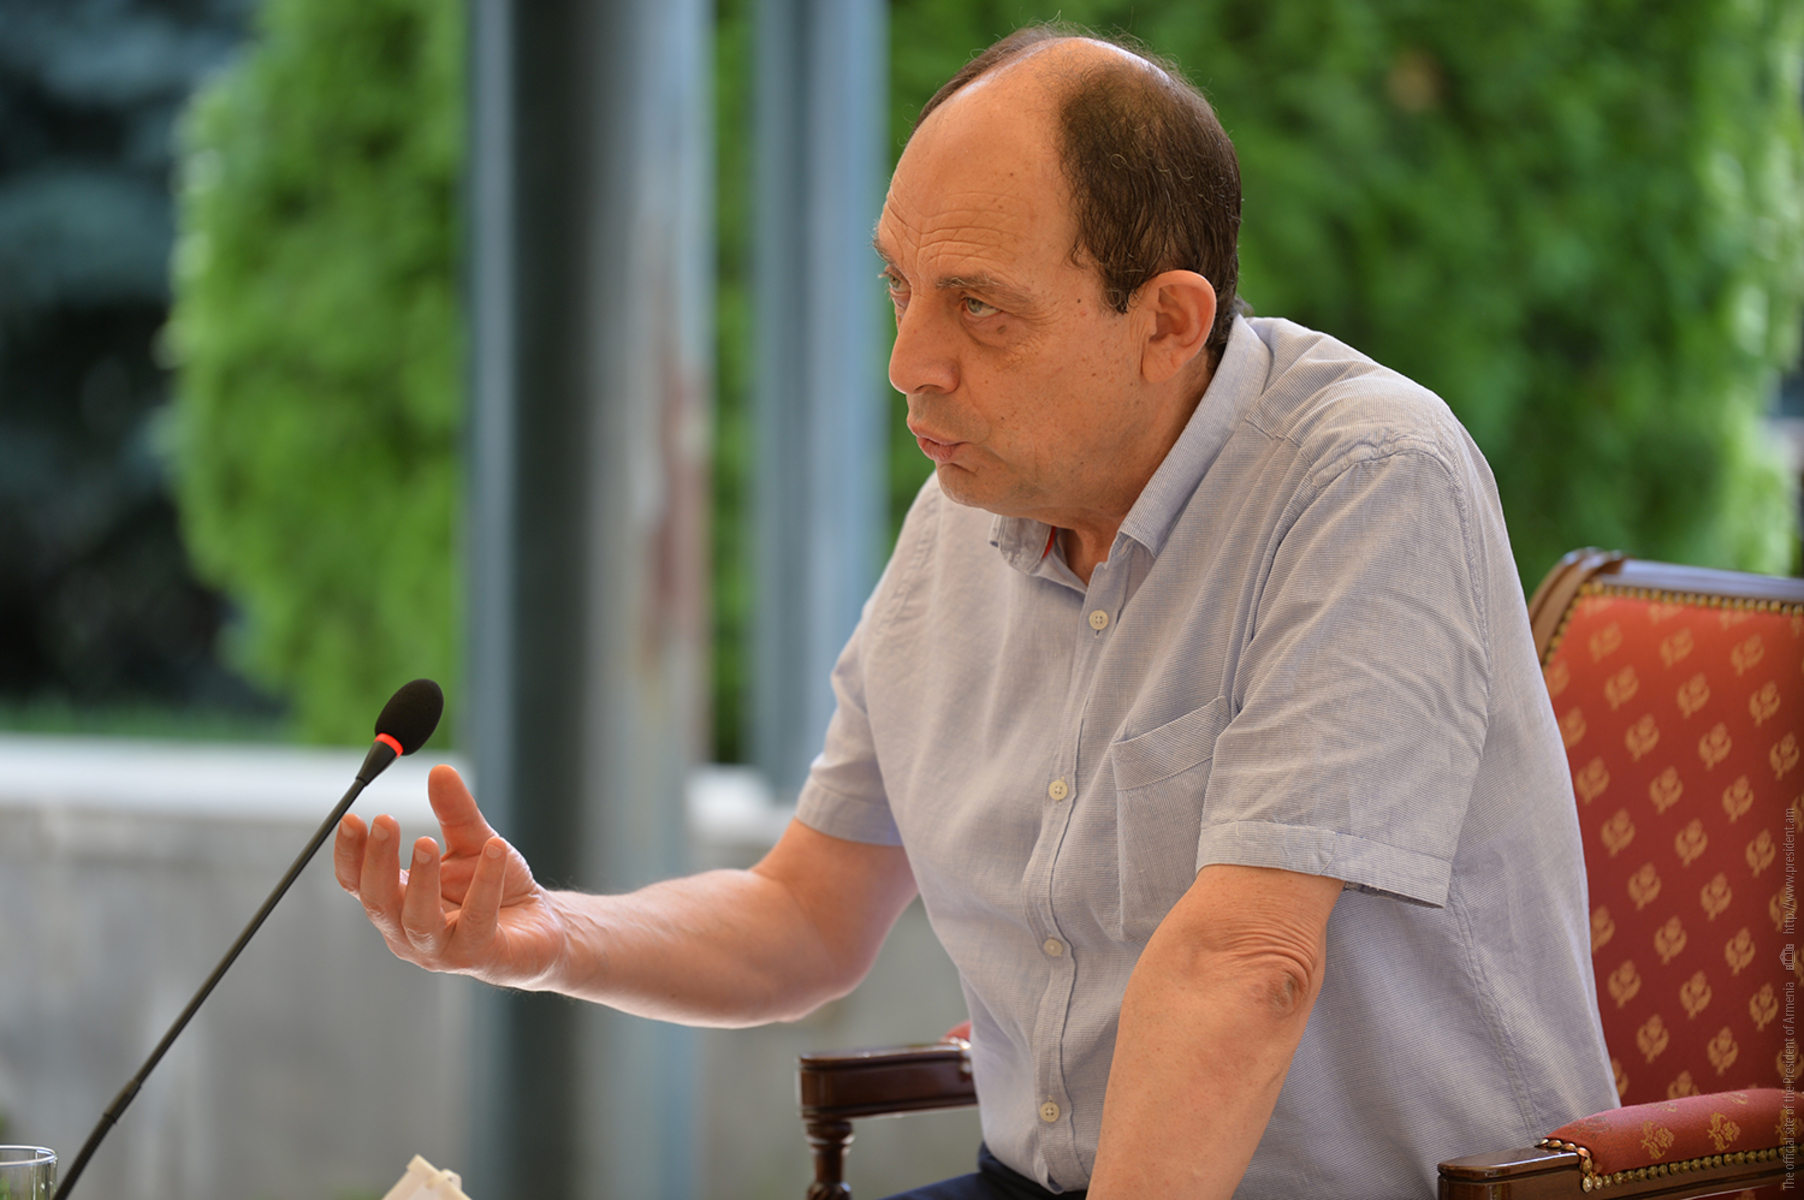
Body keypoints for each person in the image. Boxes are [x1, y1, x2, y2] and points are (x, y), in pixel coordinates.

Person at [336, 25, 1617, 1199]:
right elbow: (806, 914)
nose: (909, 364)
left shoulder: (1369, 477)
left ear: (1167, 322)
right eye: (899, 285)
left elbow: (1246, 964)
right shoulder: (972, 501)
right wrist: (551, 935)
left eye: (979, 307)